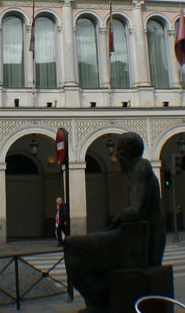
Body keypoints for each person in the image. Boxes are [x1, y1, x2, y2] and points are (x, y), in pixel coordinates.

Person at [64, 132, 166, 312]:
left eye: (119, 153)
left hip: (141, 243)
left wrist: (118, 218)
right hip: (135, 237)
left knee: (72, 246)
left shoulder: (141, 168)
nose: (117, 158)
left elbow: (135, 211)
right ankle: (101, 297)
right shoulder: (138, 170)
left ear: (125, 153)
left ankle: (97, 301)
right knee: (87, 250)